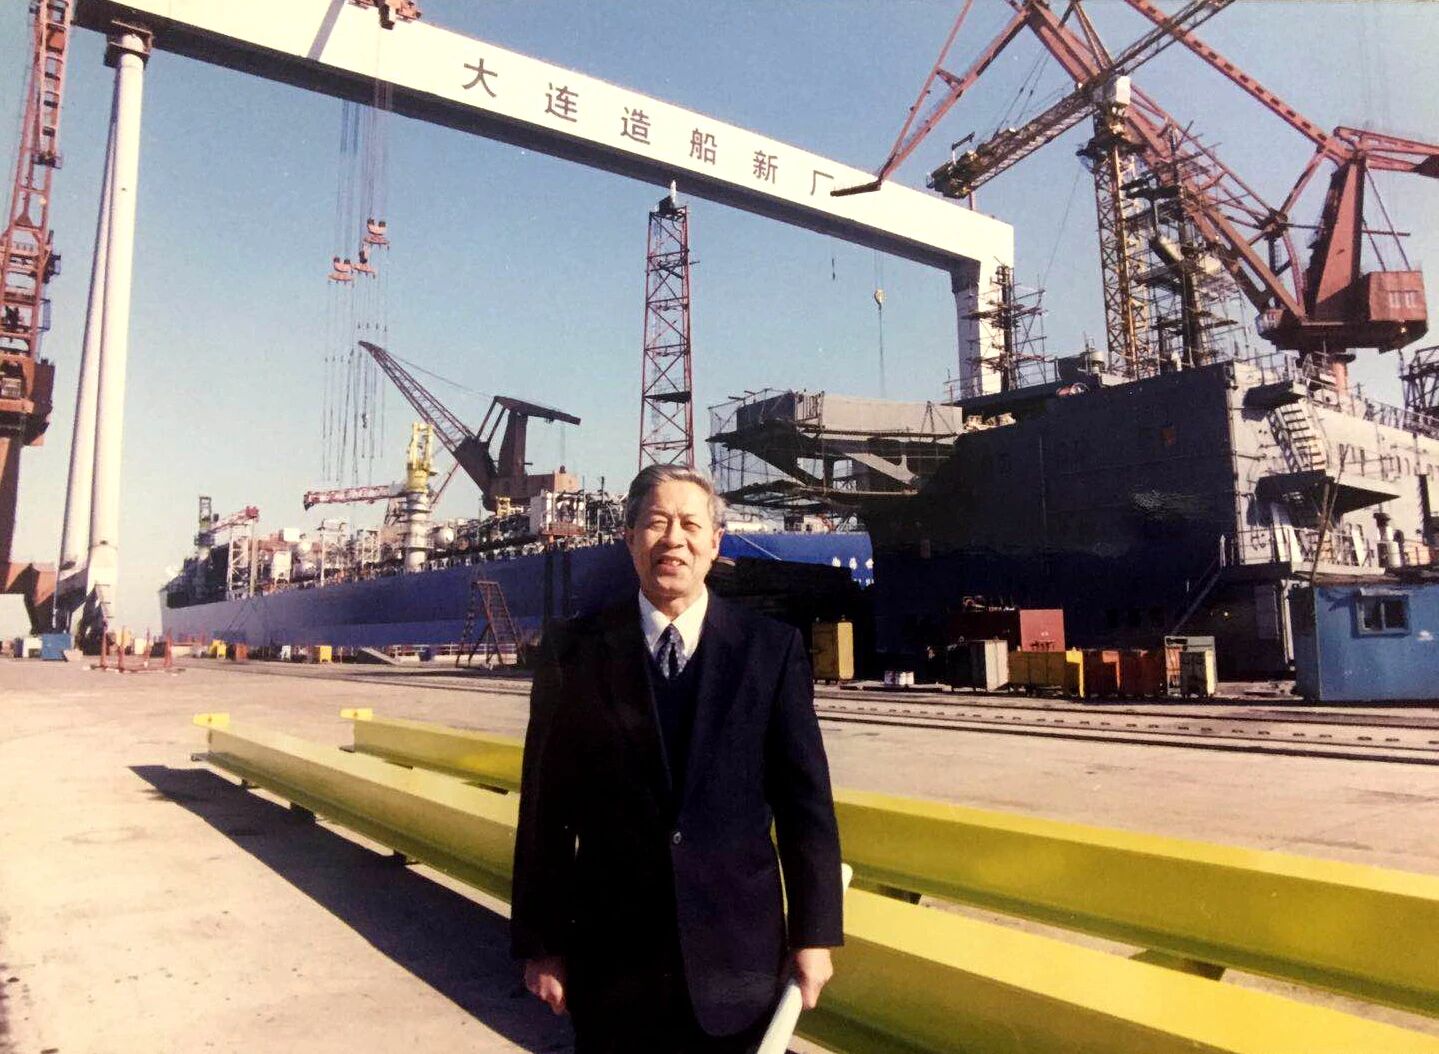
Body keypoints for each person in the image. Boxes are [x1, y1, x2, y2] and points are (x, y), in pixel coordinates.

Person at [511, 464, 844, 1053]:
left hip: (737, 962)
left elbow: (805, 806)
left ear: (715, 543)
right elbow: (546, 810)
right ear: (629, 538)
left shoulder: (770, 651)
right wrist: (543, 945)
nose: (673, 540)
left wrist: (814, 935)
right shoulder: (574, 652)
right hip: (613, 962)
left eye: (691, 525)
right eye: (656, 523)